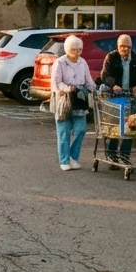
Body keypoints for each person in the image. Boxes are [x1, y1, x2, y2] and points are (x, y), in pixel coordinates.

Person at [99, 34, 136, 163]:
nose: (124, 49)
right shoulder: (111, 57)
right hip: (115, 97)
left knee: (129, 128)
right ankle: (112, 156)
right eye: (122, 46)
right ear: (117, 46)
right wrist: (113, 85)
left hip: (130, 97)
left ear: (131, 47)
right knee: (115, 127)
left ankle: (125, 156)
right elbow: (105, 75)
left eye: (127, 47)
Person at [51, 35, 97, 171]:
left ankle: (73, 156)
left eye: (79, 50)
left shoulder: (83, 62)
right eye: (74, 50)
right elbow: (56, 81)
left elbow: (88, 79)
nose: (77, 53)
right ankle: (64, 160)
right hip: (63, 99)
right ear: (67, 49)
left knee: (81, 129)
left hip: (79, 99)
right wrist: (66, 89)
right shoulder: (59, 62)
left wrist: (95, 88)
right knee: (64, 131)